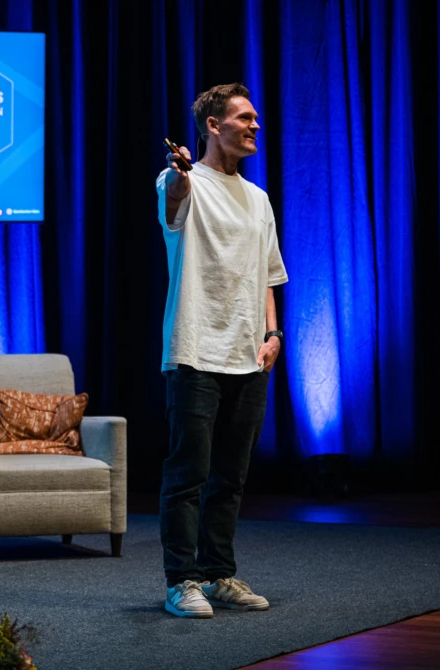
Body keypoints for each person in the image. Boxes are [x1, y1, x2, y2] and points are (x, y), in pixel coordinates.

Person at [155, 83, 288, 618]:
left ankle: (217, 574)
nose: (255, 125)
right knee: (188, 473)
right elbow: (174, 199)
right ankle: (180, 581)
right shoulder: (182, 180)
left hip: (248, 355)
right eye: (244, 118)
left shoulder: (258, 198)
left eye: (256, 118)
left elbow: (268, 275)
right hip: (195, 350)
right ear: (214, 125)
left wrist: (273, 335)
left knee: (230, 477)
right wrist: (180, 176)